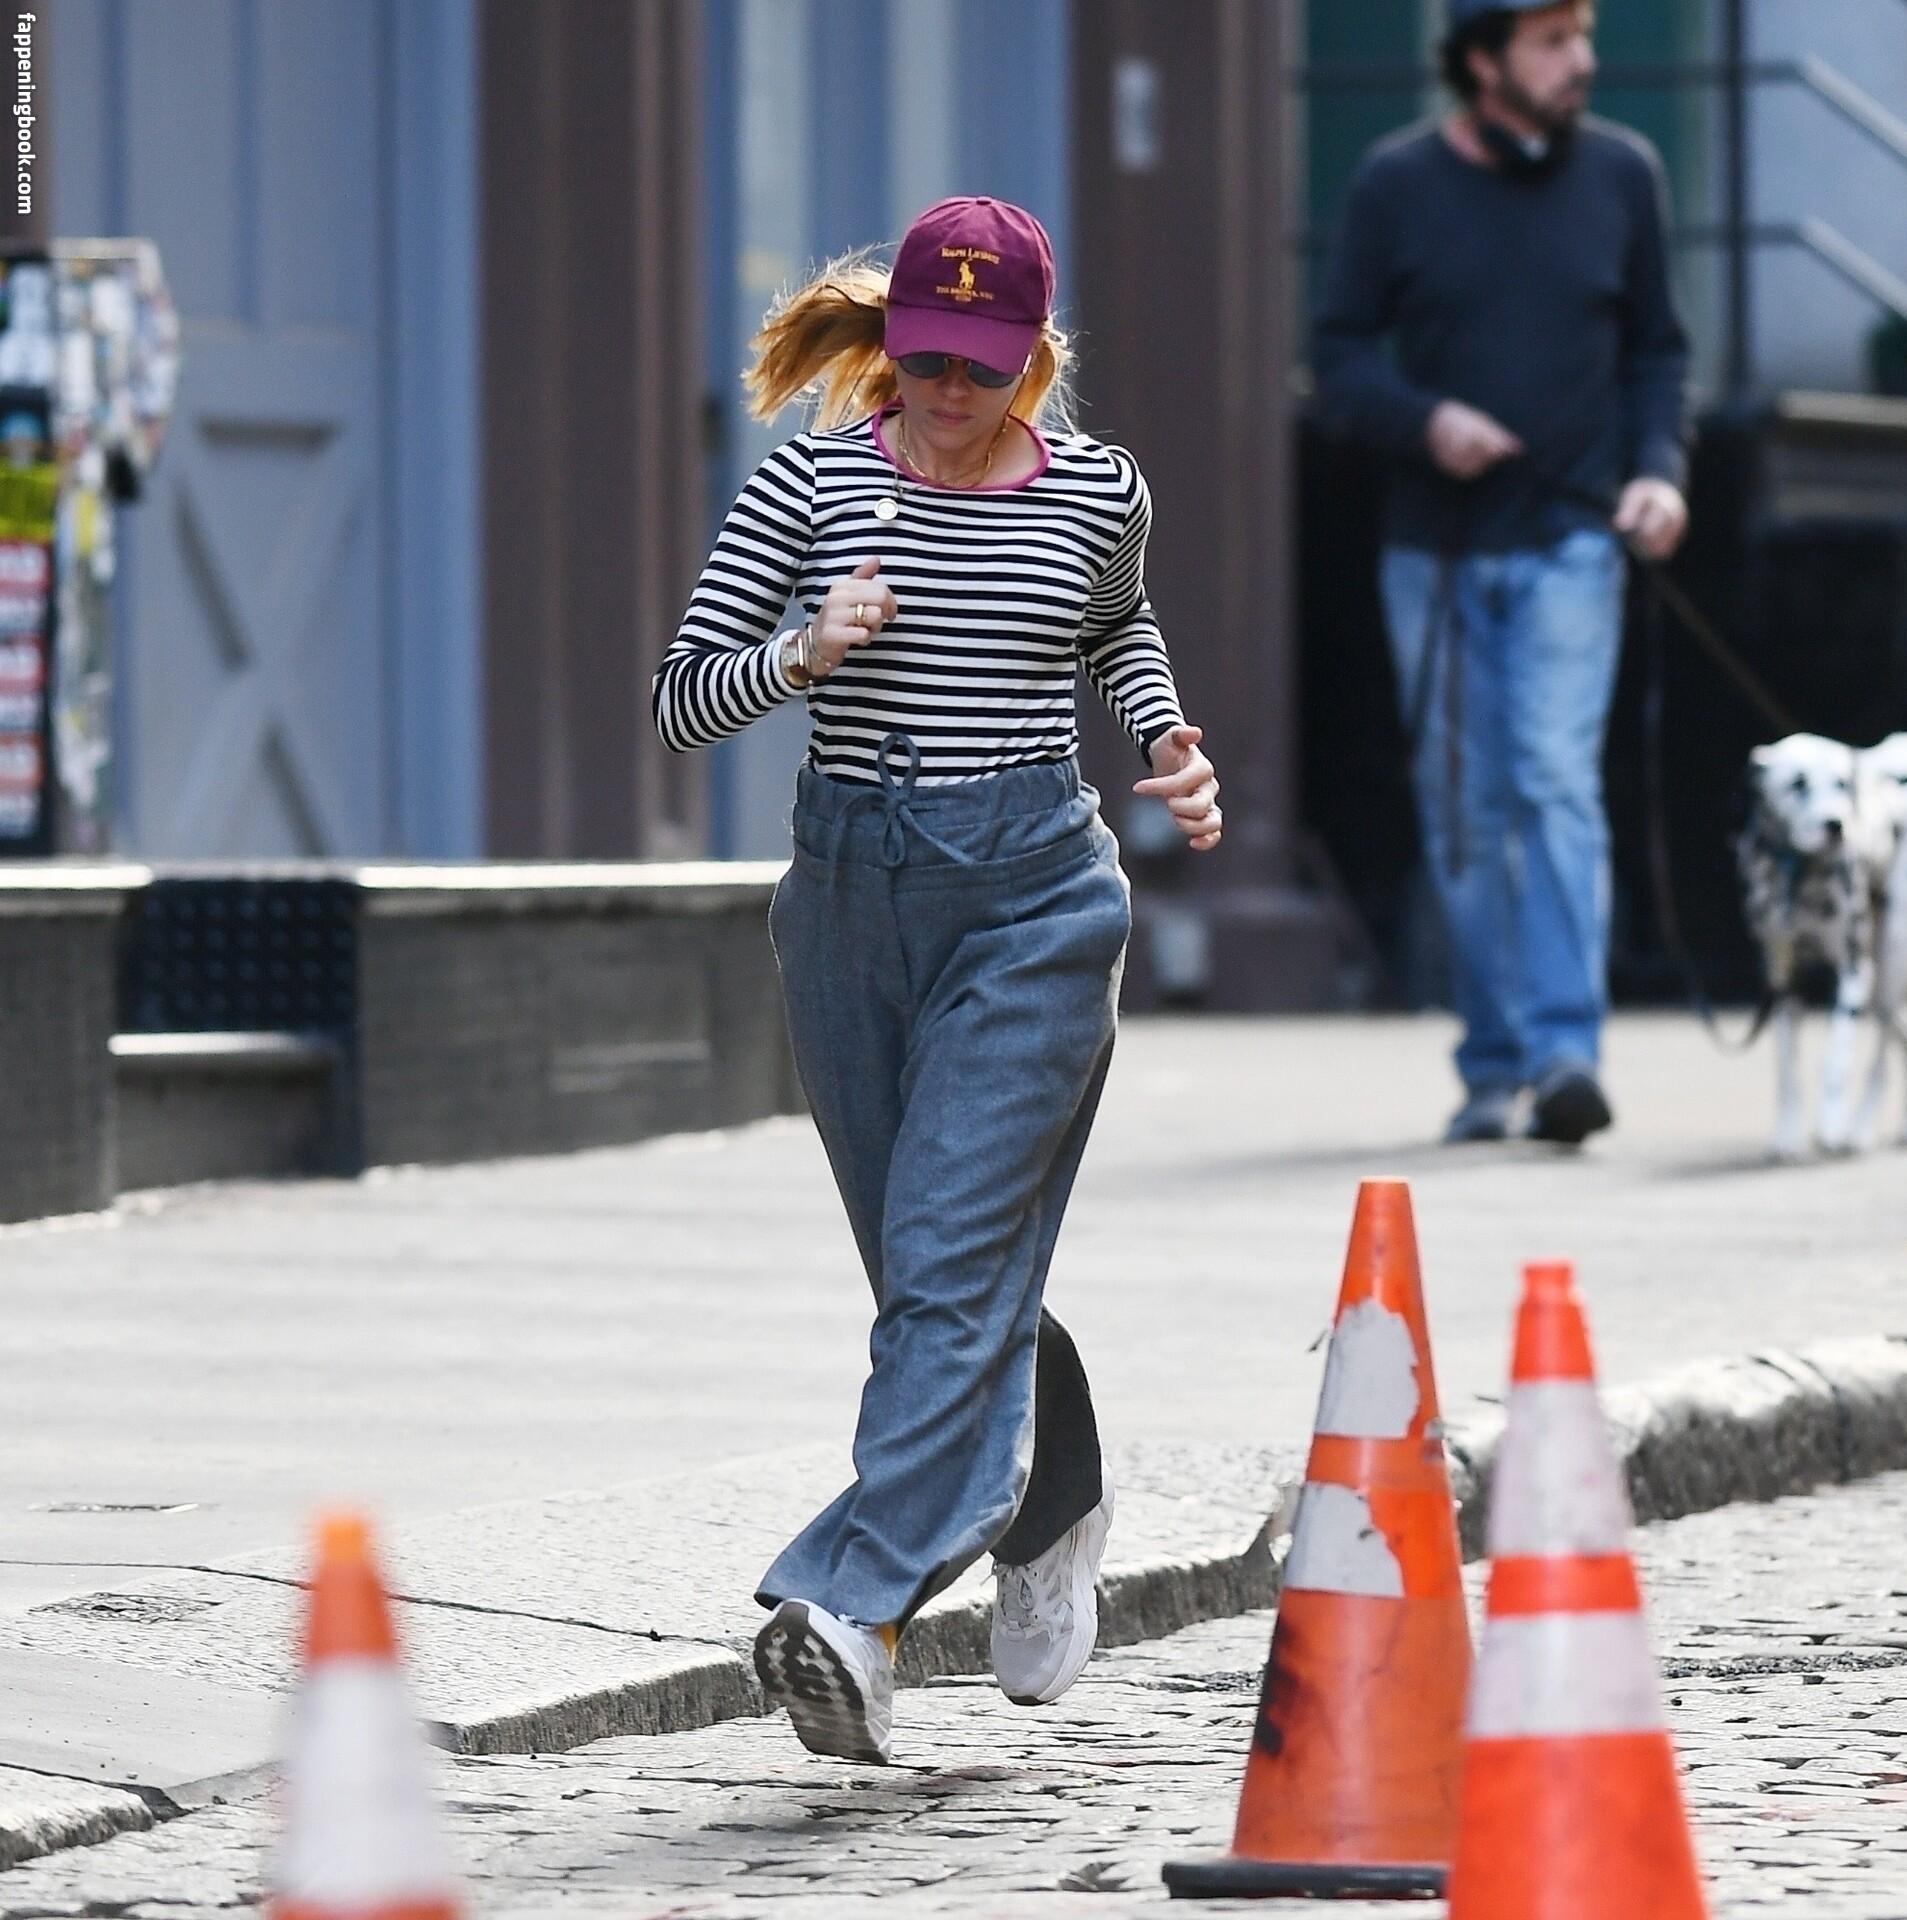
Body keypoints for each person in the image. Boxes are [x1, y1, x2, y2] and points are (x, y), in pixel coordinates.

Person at [651, 196, 1221, 1764]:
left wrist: (1163, 737)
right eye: (923, 360)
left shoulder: (1101, 491)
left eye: (980, 365)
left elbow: (1117, 626)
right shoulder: (812, 482)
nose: (948, 392)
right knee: (930, 1274)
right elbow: (680, 701)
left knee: (947, 1266)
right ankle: (1055, 1497)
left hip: (1035, 903)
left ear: (1032, 358)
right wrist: (802, 653)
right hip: (848, 905)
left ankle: (849, 1612)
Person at [1313, 0, 1690, 1145]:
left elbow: (1659, 353)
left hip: (1575, 539)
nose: (1584, 62)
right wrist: (1427, 422)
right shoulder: (1396, 182)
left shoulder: (1624, 173)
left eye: (1584, 37)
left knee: (1553, 782)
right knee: (1464, 812)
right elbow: (1336, 359)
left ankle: (1566, 1054)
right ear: (1484, 61)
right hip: (1435, 553)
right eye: (1554, 42)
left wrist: (1661, 474)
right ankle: (1494, 1061)